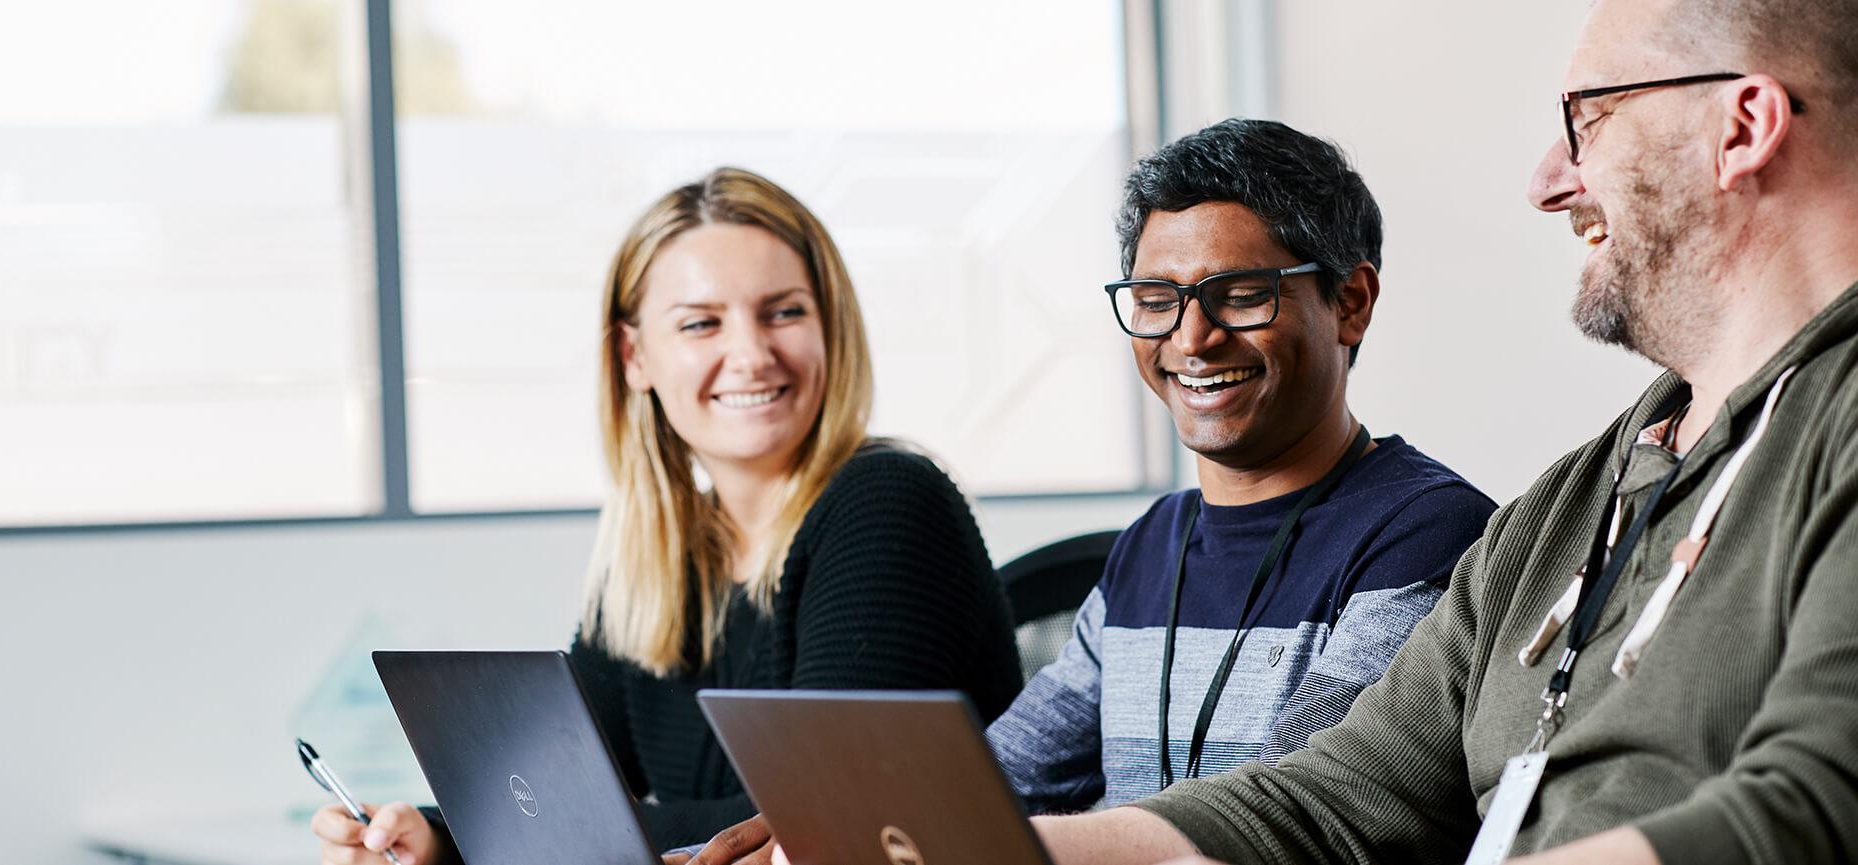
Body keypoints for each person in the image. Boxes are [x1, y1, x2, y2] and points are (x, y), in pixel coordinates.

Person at [1030, 1, 1858, 863]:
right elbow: (1331, 801)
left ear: (1745, 127)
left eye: (1589, 119)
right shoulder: (1563, 509)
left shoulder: (1835, 424)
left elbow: (1816, 807)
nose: (1548, 181)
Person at [680, 120, 1496, 865]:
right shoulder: (1152, 542)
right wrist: (827, 828)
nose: (1191, 337)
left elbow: (1291, 814)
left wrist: (938, 838)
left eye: (1241, 294)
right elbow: (1004, 774)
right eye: (1155, 300)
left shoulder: (1429, 534)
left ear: (1350, 302)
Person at [310, 167, 1024, 865]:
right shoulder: (662, 554)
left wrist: (580, 824)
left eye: (784, 311)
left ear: (830, 327)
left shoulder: (887, 502)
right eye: (701, 323)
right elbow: (549, 780)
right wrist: (433, 838)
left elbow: (817, 822)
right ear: (635, 355)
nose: (749, 354)